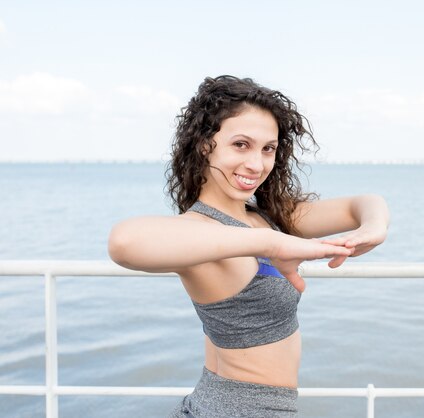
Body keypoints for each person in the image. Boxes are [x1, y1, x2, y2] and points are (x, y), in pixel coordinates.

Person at [107, 75, 389, 417]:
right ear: (204, 144)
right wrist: (271, 243)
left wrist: (373, 228)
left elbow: (363, 203)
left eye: (267, 148)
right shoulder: (202, 229)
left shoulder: (264, 216)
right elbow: (123, 242)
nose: (257, 164)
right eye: (241, 144)